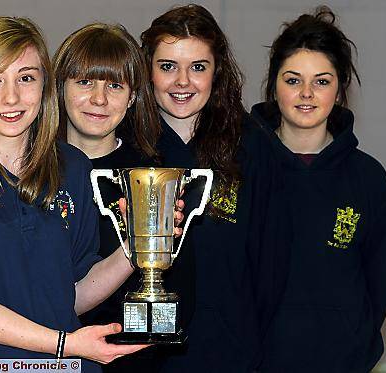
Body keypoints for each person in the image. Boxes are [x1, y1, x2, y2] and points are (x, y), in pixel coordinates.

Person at [0, 16, 180, 369]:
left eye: (26, 78)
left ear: (44, 87)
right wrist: (64, 343)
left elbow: (72, 295)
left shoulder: (72, 167)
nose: (11, 96)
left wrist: (138, 244)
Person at [250, 6, 386, 372]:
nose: (306, 93)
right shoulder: (242, 170)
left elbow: (379, 285)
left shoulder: (368, 179)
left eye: (321, 81)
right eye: (292, 80)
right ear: (273, 85)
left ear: (340, 87)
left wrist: (353, 348)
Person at [141, 4, 289, 372]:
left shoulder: (253, 147)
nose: (182, 82)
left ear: (217, 71)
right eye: (167, 66)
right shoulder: (128, 146)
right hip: (142, 357)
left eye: (198, 67)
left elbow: (272, 265)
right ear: (147, 70)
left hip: (231, 353)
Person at [52, 23, 168, 373]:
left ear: (133, 97)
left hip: (133, 360)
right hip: (47, 353)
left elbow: (177, 290)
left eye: (114, 85)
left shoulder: (152, 178)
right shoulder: (30, 172)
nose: (99, 99)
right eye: (85, 82)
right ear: (60, 88)